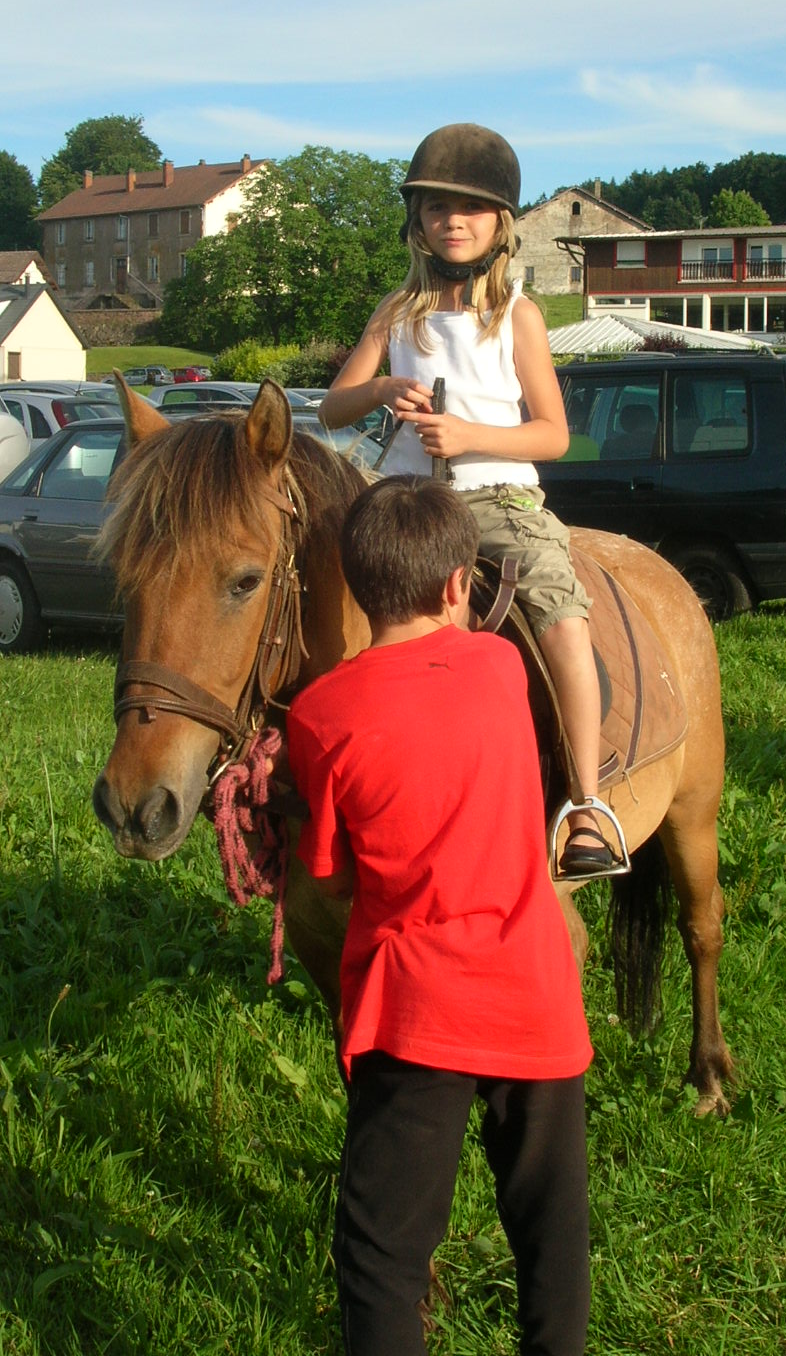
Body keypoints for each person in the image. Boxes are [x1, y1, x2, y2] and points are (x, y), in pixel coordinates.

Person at [287, 476, 593, 1356]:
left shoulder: (320, 715)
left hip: (414, 1015)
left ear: (352, 582)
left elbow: (336, 879)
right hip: (536, 1003)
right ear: (460, 586)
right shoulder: (501, 666)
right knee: (550, 1237)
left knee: (380, 1256)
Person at [319, 122, 621, 878]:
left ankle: (587, 802)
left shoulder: (517, 315)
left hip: (495, 500)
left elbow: (553, 436)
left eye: (472, 209)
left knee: (559, 612)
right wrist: (382, 387)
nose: (453, 221)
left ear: (500, 225)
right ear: (417, 221)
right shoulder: (396, 311)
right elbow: (331, 410)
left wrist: (468, 434)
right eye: (437, 208)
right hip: (398, 497)